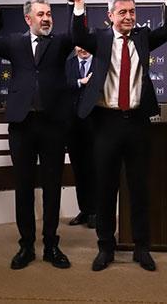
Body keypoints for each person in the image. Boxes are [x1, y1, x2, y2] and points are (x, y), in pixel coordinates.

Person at [69, 0, 167, 272]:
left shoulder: (142, 38)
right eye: (123, 12)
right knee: (105, 188)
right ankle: (105, 248)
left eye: (132, 12)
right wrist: (78, 3)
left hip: (137, 123)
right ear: (110, 16)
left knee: (139, 188)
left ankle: (142, 248)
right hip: (105, 123)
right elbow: (77, 36)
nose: (129, 16)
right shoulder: (100, 38)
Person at [0, 0, 74, 270]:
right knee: (24, 186)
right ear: (28, 18)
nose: (46, 18)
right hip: (22, 125)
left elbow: (78, 34)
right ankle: (26, 245)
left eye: (49, 14)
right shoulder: (14, 43)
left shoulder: (60, 43)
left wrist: (74, 4)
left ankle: (51, 244)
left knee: (53, 186)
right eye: (40, 14)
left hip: (53, 124)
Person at [64, 46, 96, 229]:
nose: (83, 49)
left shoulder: (100, 64)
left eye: (86, 45)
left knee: (94, 169)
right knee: (79, 170)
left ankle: (95, 212)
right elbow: (60, 85)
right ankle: (84, 210)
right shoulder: (67, 64)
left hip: (95, 126)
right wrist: (80, 82)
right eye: (79, 45)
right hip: (72, 126)